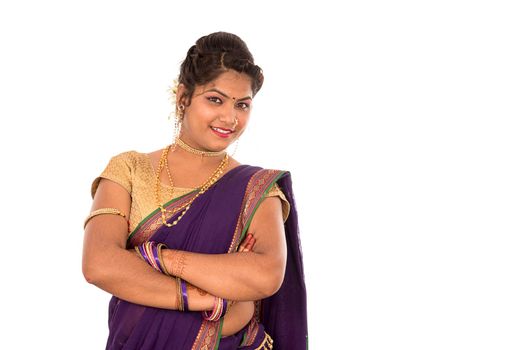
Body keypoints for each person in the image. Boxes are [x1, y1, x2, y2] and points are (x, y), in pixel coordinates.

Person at [82, 31, 308, 350]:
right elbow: (99, 264)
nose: (230, 118)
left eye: (242, 105)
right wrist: (206, 294)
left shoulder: (257, 189)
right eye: (215, 99)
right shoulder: (128, 169)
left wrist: (155, 257)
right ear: (183, 97)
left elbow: (266, 276)